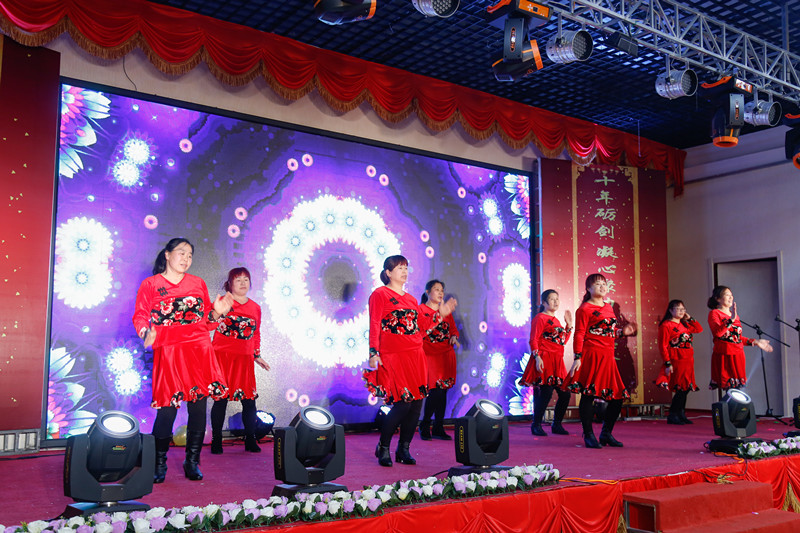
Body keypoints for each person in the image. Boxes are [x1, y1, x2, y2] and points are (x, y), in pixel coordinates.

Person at [133, 237, 233, 483]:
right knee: (167, 411)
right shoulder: (151, 284)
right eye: (181, 253)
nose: (186, 259)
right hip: (169, 353)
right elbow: (140, 316)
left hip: (199, 351)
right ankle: (158, 463)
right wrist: (146, 334)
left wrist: (217, 313)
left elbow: (206, 322)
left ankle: (192, 461)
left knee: (198, 408)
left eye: (190, 255)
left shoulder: (197, 283)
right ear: (167, 254)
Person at [363, 255, 456, 467]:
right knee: (402, 404)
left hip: (416, 355)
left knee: (416, 405)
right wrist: (373, 352)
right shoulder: (380, 294)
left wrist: (440, 315)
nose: (404, 271)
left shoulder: (412, 300)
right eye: (399, 268)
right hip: (394, 356)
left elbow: (421, 328)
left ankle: (403, 449)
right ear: (388, 273)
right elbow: (375, 323)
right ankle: (383, 446)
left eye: (406, 267)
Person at [567, 273, 636, 449]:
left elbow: (608, 331)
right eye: (598, 284)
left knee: (617, 396)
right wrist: (577, 357)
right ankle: (588, 434)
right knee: (588, 394)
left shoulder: (608, 307)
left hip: (608, 357)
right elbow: (579, 334)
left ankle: (606, 433)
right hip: (592, 355)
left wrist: (622, 332)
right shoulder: (584, 309)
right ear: (588, 288)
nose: (602, 287)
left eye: (604, 284)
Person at [210, 267, 271, 454]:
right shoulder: (223, 302)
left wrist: (256, 355)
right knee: (220, 400)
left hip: (244, 360)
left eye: (246, 279)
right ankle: (216, 440)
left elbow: (256, 333)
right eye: (238, 280)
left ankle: (250, 440)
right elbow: (209, 323)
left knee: (249, 401)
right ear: (230, 284)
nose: (243, 283)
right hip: (222, 358)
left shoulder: (255, 307)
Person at [519, 289, 573, 436]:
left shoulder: (556, 320)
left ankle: (557, 424)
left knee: (565, 393)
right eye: (551, 299)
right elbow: (534, 339)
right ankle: (536, 425)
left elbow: (562, 341)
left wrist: (568, 326)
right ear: (544, 302)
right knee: (546, 392)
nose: (555, 301)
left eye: (557, 299)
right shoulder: (540, 318)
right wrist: (537, 357)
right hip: (545, 358)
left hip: (557, 361)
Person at [417, 279, 460, 441]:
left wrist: (454, 336)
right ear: (427, 292)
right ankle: (425, 424)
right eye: (436, 289)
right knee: (435, 391)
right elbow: (421, 330)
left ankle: (438, 427)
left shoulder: (446, 310)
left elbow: (453, 329)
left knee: (443, 392)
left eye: (442, 290)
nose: (440, 293)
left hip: (446, 355)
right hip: (430, 355)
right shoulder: (421, 310)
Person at [706, 285, 772, 390]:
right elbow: (718, 334)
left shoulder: (734, 315)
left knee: (737, 391)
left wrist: (755, 341)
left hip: (738, 355)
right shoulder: (714, 313)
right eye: (727, 295)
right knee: (730, 391)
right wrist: (730, 320)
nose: (731, 297)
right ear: (718, 298)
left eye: (731, 295)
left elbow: (737, 338)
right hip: (725, 355)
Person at [655, 300, 702, 425]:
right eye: (678, 309)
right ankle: (673, 414)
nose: (681, 311)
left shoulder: (685, 324)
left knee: (686, 387)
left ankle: (681, 413)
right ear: (671, 310)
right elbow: (663, 346)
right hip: (676, 358)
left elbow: (699, 329)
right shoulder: (666, 325)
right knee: (680, 388)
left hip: (688, 359)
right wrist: (667, 363)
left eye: (683, 309)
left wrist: (690, 318)